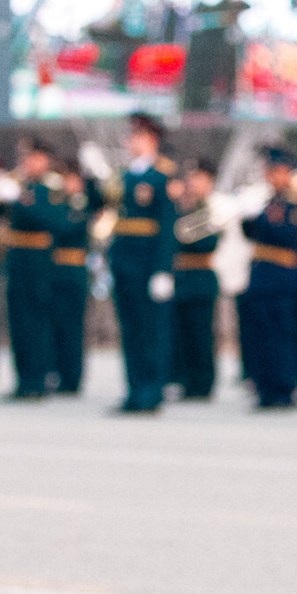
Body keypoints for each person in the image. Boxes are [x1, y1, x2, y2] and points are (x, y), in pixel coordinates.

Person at [106, 114, 175, 414]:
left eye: (136, 136)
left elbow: (167, 226)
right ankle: (135, 390)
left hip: (148, 262)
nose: (129, 141)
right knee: (131, 329)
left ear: (151, 139)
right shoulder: (124, 176)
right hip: (124, 262)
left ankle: (152, 391)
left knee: (151, 330)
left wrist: (163, 270)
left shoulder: (163, 176)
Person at [238, 149, 297, 409]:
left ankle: (283, 389)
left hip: (282, 274)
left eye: (277, 171)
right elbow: (250, 234)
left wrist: (262, 218)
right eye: (269, 171)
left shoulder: (295, 202)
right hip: (261, 274)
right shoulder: (267, 200)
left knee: (282, 335)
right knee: (262, 335)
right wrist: (248, 214)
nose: (272, 176)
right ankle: (265, 388)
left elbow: (288, 234)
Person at [0, 141, 62, 400]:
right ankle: (23, 379)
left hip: (39, 260)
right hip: (17, 259)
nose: (29, 163)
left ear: (46, 160)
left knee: (37, 322)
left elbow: (47, 218)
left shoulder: (52, 188)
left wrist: (20, 201)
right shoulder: (21, 186)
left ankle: (38, 379)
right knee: (18, 322)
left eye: (35, 158)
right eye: (26, 157)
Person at [169, 159, 223, 402]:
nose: (192, 182)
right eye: (190, 177)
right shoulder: (179, 207)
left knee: (201, 333)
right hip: (180, 275)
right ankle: (183, 379)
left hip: (201, 274)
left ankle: (202, 383)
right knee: (180, 332)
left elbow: (207, 242)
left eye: (198, 178)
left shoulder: (212, 208)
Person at [47, 165, 93, 396]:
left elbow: (65, 228)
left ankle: (72, 378)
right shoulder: (59, 203)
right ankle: (58, 373)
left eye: (73, 180)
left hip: (74, 269)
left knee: (72, 328)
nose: (68, 185)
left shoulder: (81, 205)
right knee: (56, 324)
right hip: (56, 269)